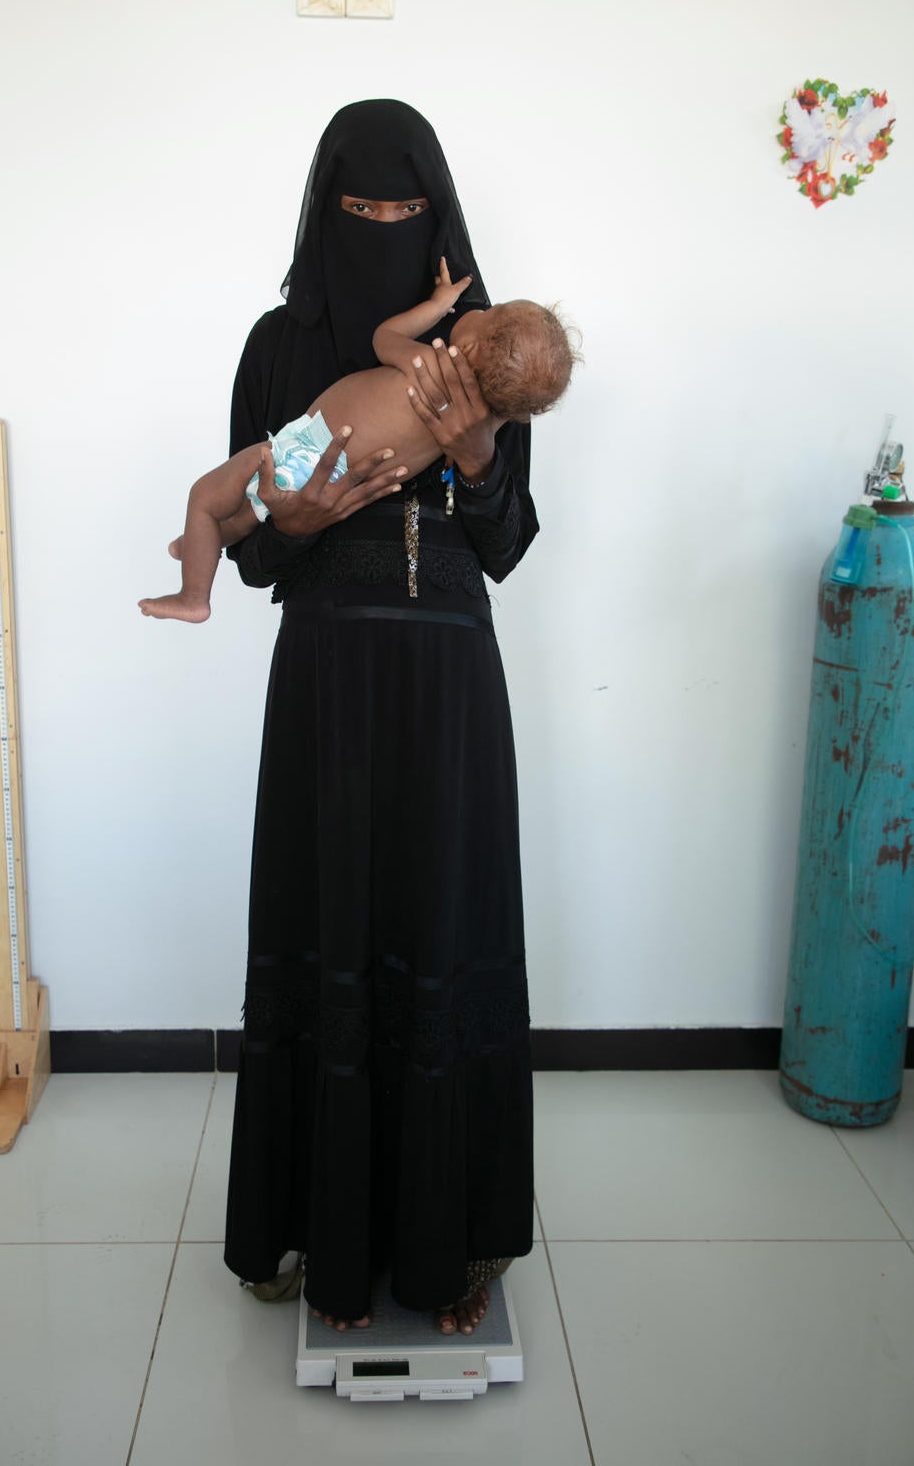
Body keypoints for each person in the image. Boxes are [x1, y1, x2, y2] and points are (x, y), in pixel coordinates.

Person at [223, 99, 542, 1339]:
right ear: (323, 215)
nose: (383, 232)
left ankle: (451, 1236)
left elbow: (508, 547)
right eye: (359, 215)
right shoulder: (276, 343)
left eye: (407, 215)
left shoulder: (489, 350)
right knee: (322, 920)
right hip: (329, 679)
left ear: (440, 218)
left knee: (445, 921)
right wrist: (294, 523)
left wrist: (475, 457)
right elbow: (251, 549)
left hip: (451, 680)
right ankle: (307, 1220)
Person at [138, 262, 574, 622]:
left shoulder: (429, 366)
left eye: (488, 312)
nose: (475, 310)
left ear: (473, 345)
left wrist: (437, 305)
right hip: (336, 478)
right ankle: (201, 546)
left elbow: (384, 338)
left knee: (204, 497)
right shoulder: (487, 419)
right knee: (244, 512)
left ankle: (193, 596)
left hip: (306, 451)